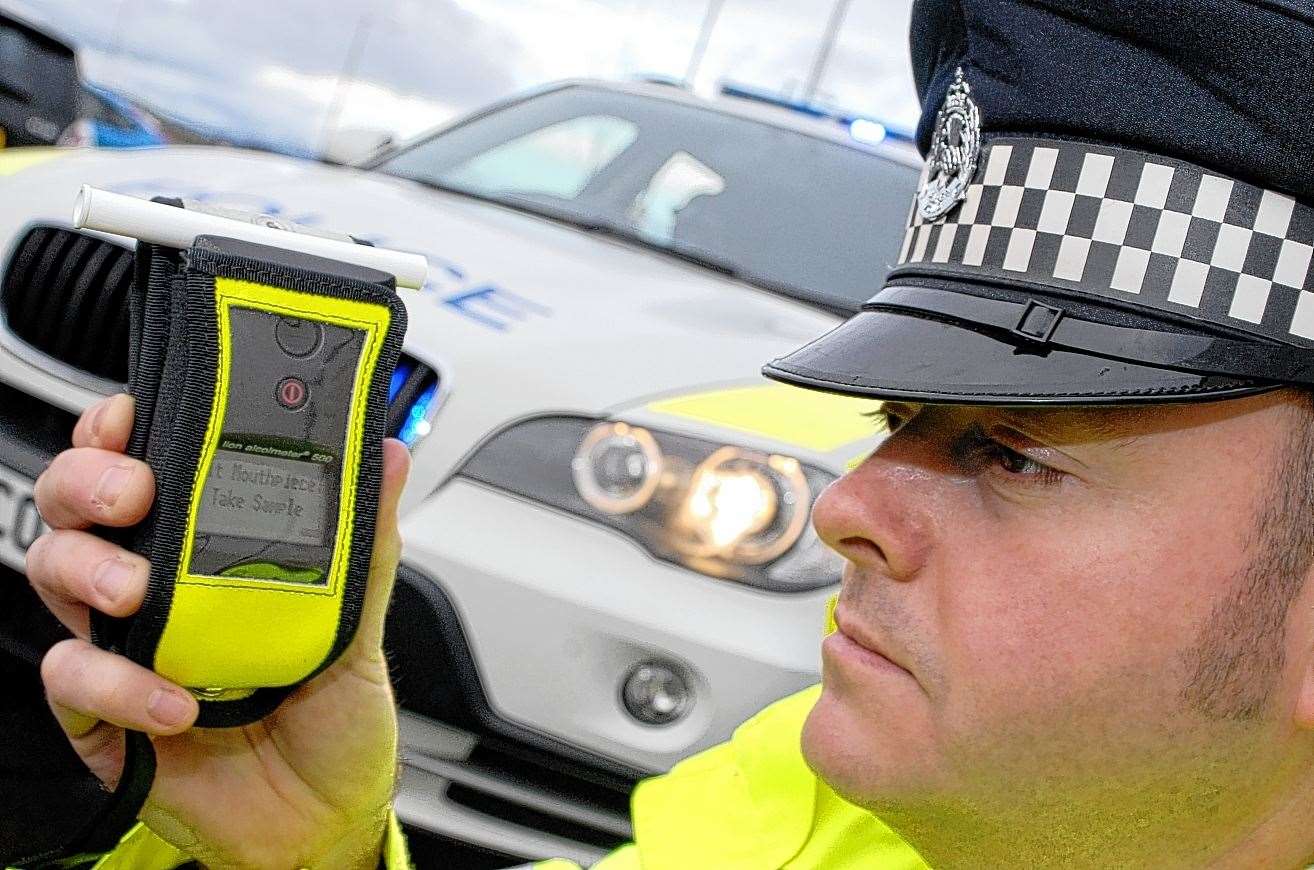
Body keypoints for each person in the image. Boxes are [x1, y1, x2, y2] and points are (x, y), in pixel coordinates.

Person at [21, 0, 1314, 866]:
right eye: (897, 416)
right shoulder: (819, 808)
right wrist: (308, 850)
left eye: (1012, 451)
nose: (841, 508)